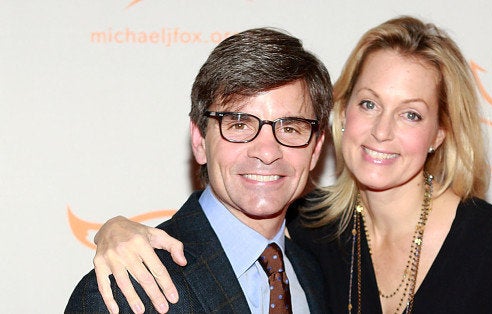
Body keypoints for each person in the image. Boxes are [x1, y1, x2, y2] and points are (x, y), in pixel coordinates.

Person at [91, 16, 492, 313]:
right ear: (340, 116)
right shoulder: (312, 226)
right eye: (368, 103)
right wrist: (115, 231)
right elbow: (227, 219)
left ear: (441, 132)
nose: (382, 131)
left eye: (411, 113)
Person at [65, 27, 334, 314]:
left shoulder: (317, 273)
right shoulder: (126, 291)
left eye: (291, 127)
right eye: (240, 125)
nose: (267, 152)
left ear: (316, 149)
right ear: (199, 141)